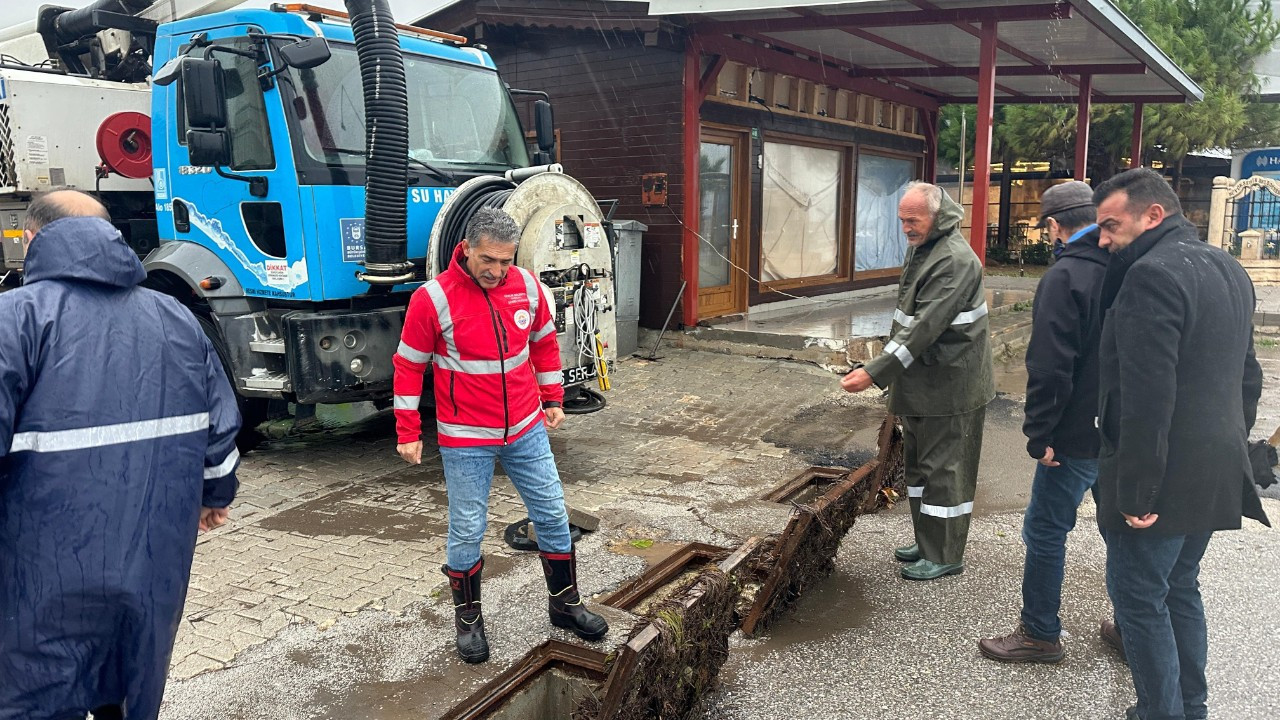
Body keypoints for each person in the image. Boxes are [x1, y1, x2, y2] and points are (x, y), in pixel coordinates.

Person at [0, 191, 242, 720]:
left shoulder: (14, 319)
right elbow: (220, 433)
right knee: (131, 683)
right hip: (148, 566)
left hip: (37, 581)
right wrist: (213, 494)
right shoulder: (175, 317)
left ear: (36, 238)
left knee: (35, 693)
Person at [392, 207, 608, 663]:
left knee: (551, 513)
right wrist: (408, 431)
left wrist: (552, 398)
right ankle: (469, 622)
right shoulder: (432, 299)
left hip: (526, 427)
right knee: (468, 527)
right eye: (488, 260)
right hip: (465, 435)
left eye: (506, 261)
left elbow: (544, 344)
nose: (497, 271)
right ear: (466, 248)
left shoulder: (528, 288)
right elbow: (409, 366)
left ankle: (565, 605)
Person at [1092, 168, 1269, 720]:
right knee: (1179, 588)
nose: (1102, 239)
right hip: (1215, 469)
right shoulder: (1229, 269)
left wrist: (1138, 490)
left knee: (1141, 601)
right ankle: (1190, 708)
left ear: (1152, 215)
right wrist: (1233, 448)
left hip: (1160, 479)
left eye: (1110, 226)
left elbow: (1148, 395)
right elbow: (1249, 376)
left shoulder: (1151, 274)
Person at [978, 181, 1112, 663]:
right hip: (1121, 430)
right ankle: (1129, 622)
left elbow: (1051, 366)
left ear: (1055, 226)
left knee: (1046, 529)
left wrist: (1040, 433)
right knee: (1120, 529)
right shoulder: (1130, 266)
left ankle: (1039, 631)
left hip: (1074, 434)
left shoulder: (1066, 276)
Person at [842, 182, 995, 581]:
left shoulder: (953, 260)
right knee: (920, 469)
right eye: (902, 220)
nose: (907, 227)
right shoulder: (925, 248)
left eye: (914, 220)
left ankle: (945, 553)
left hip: (951, 384)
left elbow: (924, 328)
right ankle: (927, 541)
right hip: (925, 380)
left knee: (945, 472)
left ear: (937, 216)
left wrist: (875, 372)